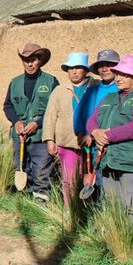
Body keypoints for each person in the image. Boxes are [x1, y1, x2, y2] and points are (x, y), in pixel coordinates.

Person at [87, 55, 133, 222]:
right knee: (113, 206)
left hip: (132, 163)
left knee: (132, 208)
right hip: (108, 162)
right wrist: (95, 132)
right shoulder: (109, 98)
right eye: (117, 74)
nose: (119, 78)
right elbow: (91, 120)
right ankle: (116, 244)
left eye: (124, 74)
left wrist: (107, 136)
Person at [3, 43, 59, 202]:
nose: (29, 63)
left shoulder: (51, 82)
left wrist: (38, 123)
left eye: (33, 60)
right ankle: (26, 203)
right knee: (21, 168)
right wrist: (16, 122)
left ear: (39, 61)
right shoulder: (15, 82)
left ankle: (41, 205)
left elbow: (55, 109)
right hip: (19, 137)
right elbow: (8, 106)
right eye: (26, 60)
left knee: (41, 172)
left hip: (41, 136)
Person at [42, 52, 94, 204]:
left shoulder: (95, 87)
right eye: (71, 68)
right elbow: (50, 116)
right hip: (67, 143)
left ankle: (86, 211)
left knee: (89, 179)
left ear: (85, 70)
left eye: (78, 68)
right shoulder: (59, 90)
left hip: (91, 143)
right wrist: (50, 140)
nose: (74, 71)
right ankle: (69, 210)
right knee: (69, 181)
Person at [73, 49, 120, 197]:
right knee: (96, 187)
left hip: (114, 148)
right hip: (92, 149)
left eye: (109, 64)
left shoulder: (121, 90)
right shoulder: (92, 90)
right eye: (101, 65)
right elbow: (79, 114)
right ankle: (97, 219)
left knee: (113, 188)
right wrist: (81, 132)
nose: (105, 69)